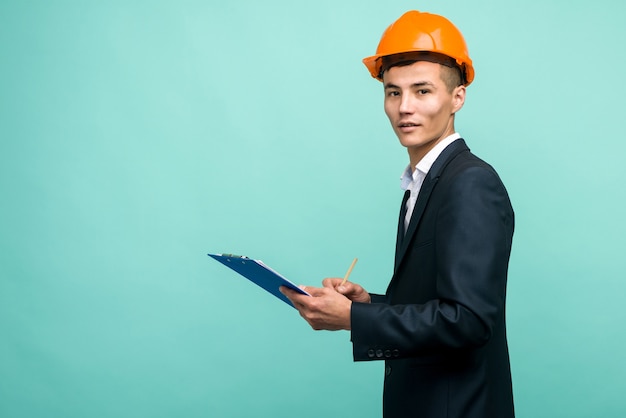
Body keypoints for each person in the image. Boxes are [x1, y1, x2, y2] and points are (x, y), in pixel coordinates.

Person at [280, 10, 515, 418]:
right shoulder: (422, 184)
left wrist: (354, 319)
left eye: (422, 91)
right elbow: (437, 304)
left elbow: (470, 321)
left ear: (457, 96)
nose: (404, 107)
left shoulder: (470, 183)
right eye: (393, 93)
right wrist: (368, 303)